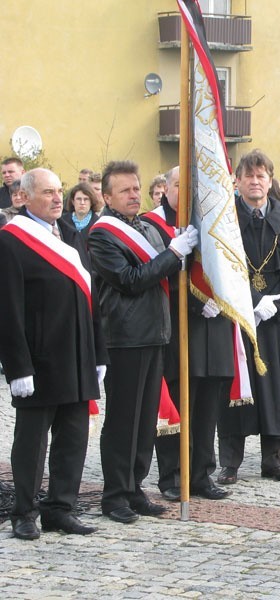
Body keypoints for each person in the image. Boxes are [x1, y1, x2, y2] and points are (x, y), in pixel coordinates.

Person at [0, 168, 108, 540]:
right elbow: (8, 310)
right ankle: (24, 512)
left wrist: (99, 353)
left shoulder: (73, 235)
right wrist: (17, 367)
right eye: (48, 192)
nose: (57, 198)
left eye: (59, 191)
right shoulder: (11, 241)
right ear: (25, 198)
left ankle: (61, 508)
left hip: (77, 354)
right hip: (39, 360)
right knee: (31, 443)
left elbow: (90, 297)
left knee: (73, 439)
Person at [88, 160, 199, 524]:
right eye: (125, 190)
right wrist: (174, 253)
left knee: (145, 420)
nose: (134, 195)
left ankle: (134, 488)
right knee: (123, 419)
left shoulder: (146, 229)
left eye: (136, 188)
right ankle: (114, 495)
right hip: (124, 337)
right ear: (106, 196)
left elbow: (164, 271)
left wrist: (176, 251)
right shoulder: (101, 234)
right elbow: (131, 279)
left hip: (154, 334)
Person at [216, 151, 280, 484]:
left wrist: (278, 306)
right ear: (238, 181)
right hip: (239, 318)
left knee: (279, 388)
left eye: (261, 176)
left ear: (270, 181)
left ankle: (274, 459)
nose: (255, 182)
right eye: (249, 176)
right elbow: (222, 268)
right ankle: (229, 462)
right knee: (236, 389)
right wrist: (253, 303)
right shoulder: (225, 219)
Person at [142, 166, 232, 501]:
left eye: (193, 186)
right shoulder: (151, 225)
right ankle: (173, 475)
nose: (187, 192)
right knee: (178, 402)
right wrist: (195, 303)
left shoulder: (214, 220)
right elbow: (158, 275)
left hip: (215, 325)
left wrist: (221, 299)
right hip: (178, 326)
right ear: (165, 187)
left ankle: (202, 473)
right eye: (180, 185)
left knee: (208, 403)